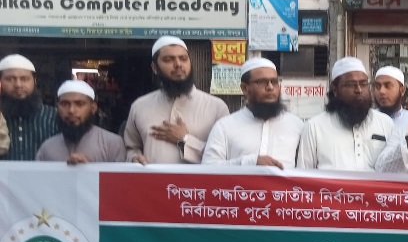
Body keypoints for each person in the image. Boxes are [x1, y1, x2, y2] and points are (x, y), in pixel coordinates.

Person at [123, 36, 229, 164]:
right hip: (152, 177)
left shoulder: (216, 107)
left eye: (183, 59)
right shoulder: (140, 106)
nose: (178, 64)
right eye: (168, 60)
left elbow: (225, 156)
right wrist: (134, 158)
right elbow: (131, 147)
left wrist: (184, 140)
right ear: (155, 68)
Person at [202, 57, 303, 167]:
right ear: (245, 88)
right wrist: (250, 162)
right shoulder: (224, 127)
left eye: (274, 82)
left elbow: (306, 168)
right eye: (261, 82)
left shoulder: (297, 125)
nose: (270, 87)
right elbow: (208, 168)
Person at [297, 57, 393, 171]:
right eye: (351, 84)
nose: (359, 90)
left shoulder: (385, 123)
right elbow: (303, 174)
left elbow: (394, 168)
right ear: (335, 89)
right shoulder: (314, 127)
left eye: (363, 84)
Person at [35, 80, 125, 163]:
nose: (71, 110)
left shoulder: (112, 144)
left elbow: (120, 175)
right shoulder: (47, 148)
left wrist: (91, 168)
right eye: (65, 104)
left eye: (79, 104)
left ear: (93, 108)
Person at [0, 54, 58, 160]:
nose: (18, 85)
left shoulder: (54, 116)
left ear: (34, 81)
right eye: (10, 79)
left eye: (24, 79)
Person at [372, 66, 408, 130]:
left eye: (388, 86)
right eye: (378, 86)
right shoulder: (367, 120)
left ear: (402, 90)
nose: (381, 91)